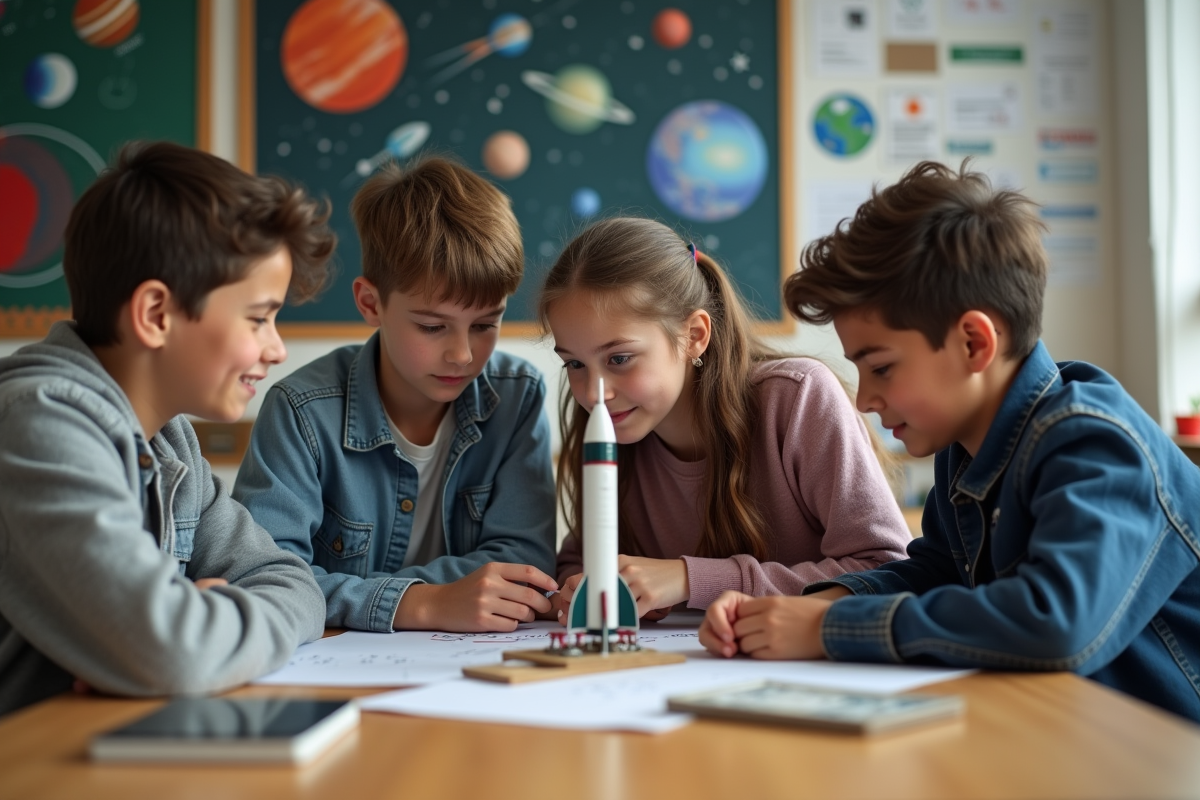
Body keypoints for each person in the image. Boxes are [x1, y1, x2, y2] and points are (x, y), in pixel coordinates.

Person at [699, 160, 1200, 723]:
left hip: (1162, 747)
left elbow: (1056, 623)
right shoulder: (965, 448)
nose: (864, 399)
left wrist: (830, 628)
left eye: (881, 367)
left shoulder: (1098, 445)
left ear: (973, 343)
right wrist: (816, 604)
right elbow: (936, 570)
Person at [0, 141, 336, 716]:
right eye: (259, 318)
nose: (277, 349)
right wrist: (179, 630)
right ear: (156, 314)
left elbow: (292, 582)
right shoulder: (38, 424)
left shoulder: (169, 441)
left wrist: (197, 620)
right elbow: (171, 652)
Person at [234, 156, 557, 634]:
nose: (463, 354)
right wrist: (420, 603)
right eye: (432, 326)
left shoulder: (518, 395)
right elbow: (263, 577)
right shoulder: (300, 411)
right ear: (371, 303)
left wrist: (354, 593)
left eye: (486, 324)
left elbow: (524, 561)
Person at [539, 217, 911, 622]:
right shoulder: (608, 426)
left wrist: (689, 579)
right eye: (575, 364)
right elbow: (579, 560)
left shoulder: (797, 397)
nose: (595, 393)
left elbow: (887, 569)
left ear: (694, 336)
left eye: (620, 358)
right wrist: (579, 588)